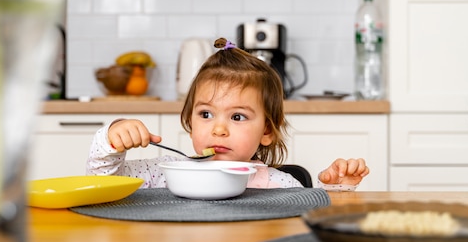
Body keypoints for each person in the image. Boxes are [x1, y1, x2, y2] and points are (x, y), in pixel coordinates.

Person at [86, 38, 369, 190]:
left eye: (237, 117)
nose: (218, 129)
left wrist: (336, 190)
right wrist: (112, 139)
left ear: (267, 131)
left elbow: (307, 221)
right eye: (206, 114)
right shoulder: (163, 175)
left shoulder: (280, 184)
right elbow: (102, 184)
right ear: (190, 121)